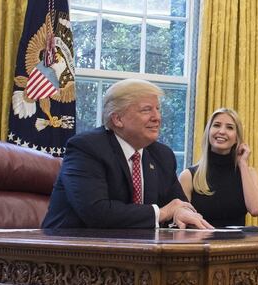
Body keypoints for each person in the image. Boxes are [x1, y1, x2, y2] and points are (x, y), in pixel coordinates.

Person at [42, 79, 212, 229]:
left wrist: (182, 212)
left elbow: (177, 204)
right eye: (146, 110)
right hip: (72, 248)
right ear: (117, 119)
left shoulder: (162, 155)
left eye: (158, 109)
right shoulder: (87, 148)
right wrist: (162, 213)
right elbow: (97, 212)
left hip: (138, 249)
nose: (157, 117)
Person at [179, 108, 258, 227]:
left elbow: (256, 209)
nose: (222, 131)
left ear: (237, 138)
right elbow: (182, 224)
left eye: (229, 127)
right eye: (216, 125)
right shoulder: (188, 176)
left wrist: (242, 163)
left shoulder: (249, 173)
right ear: (208, 132)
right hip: (201, 239)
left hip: (238, 239)